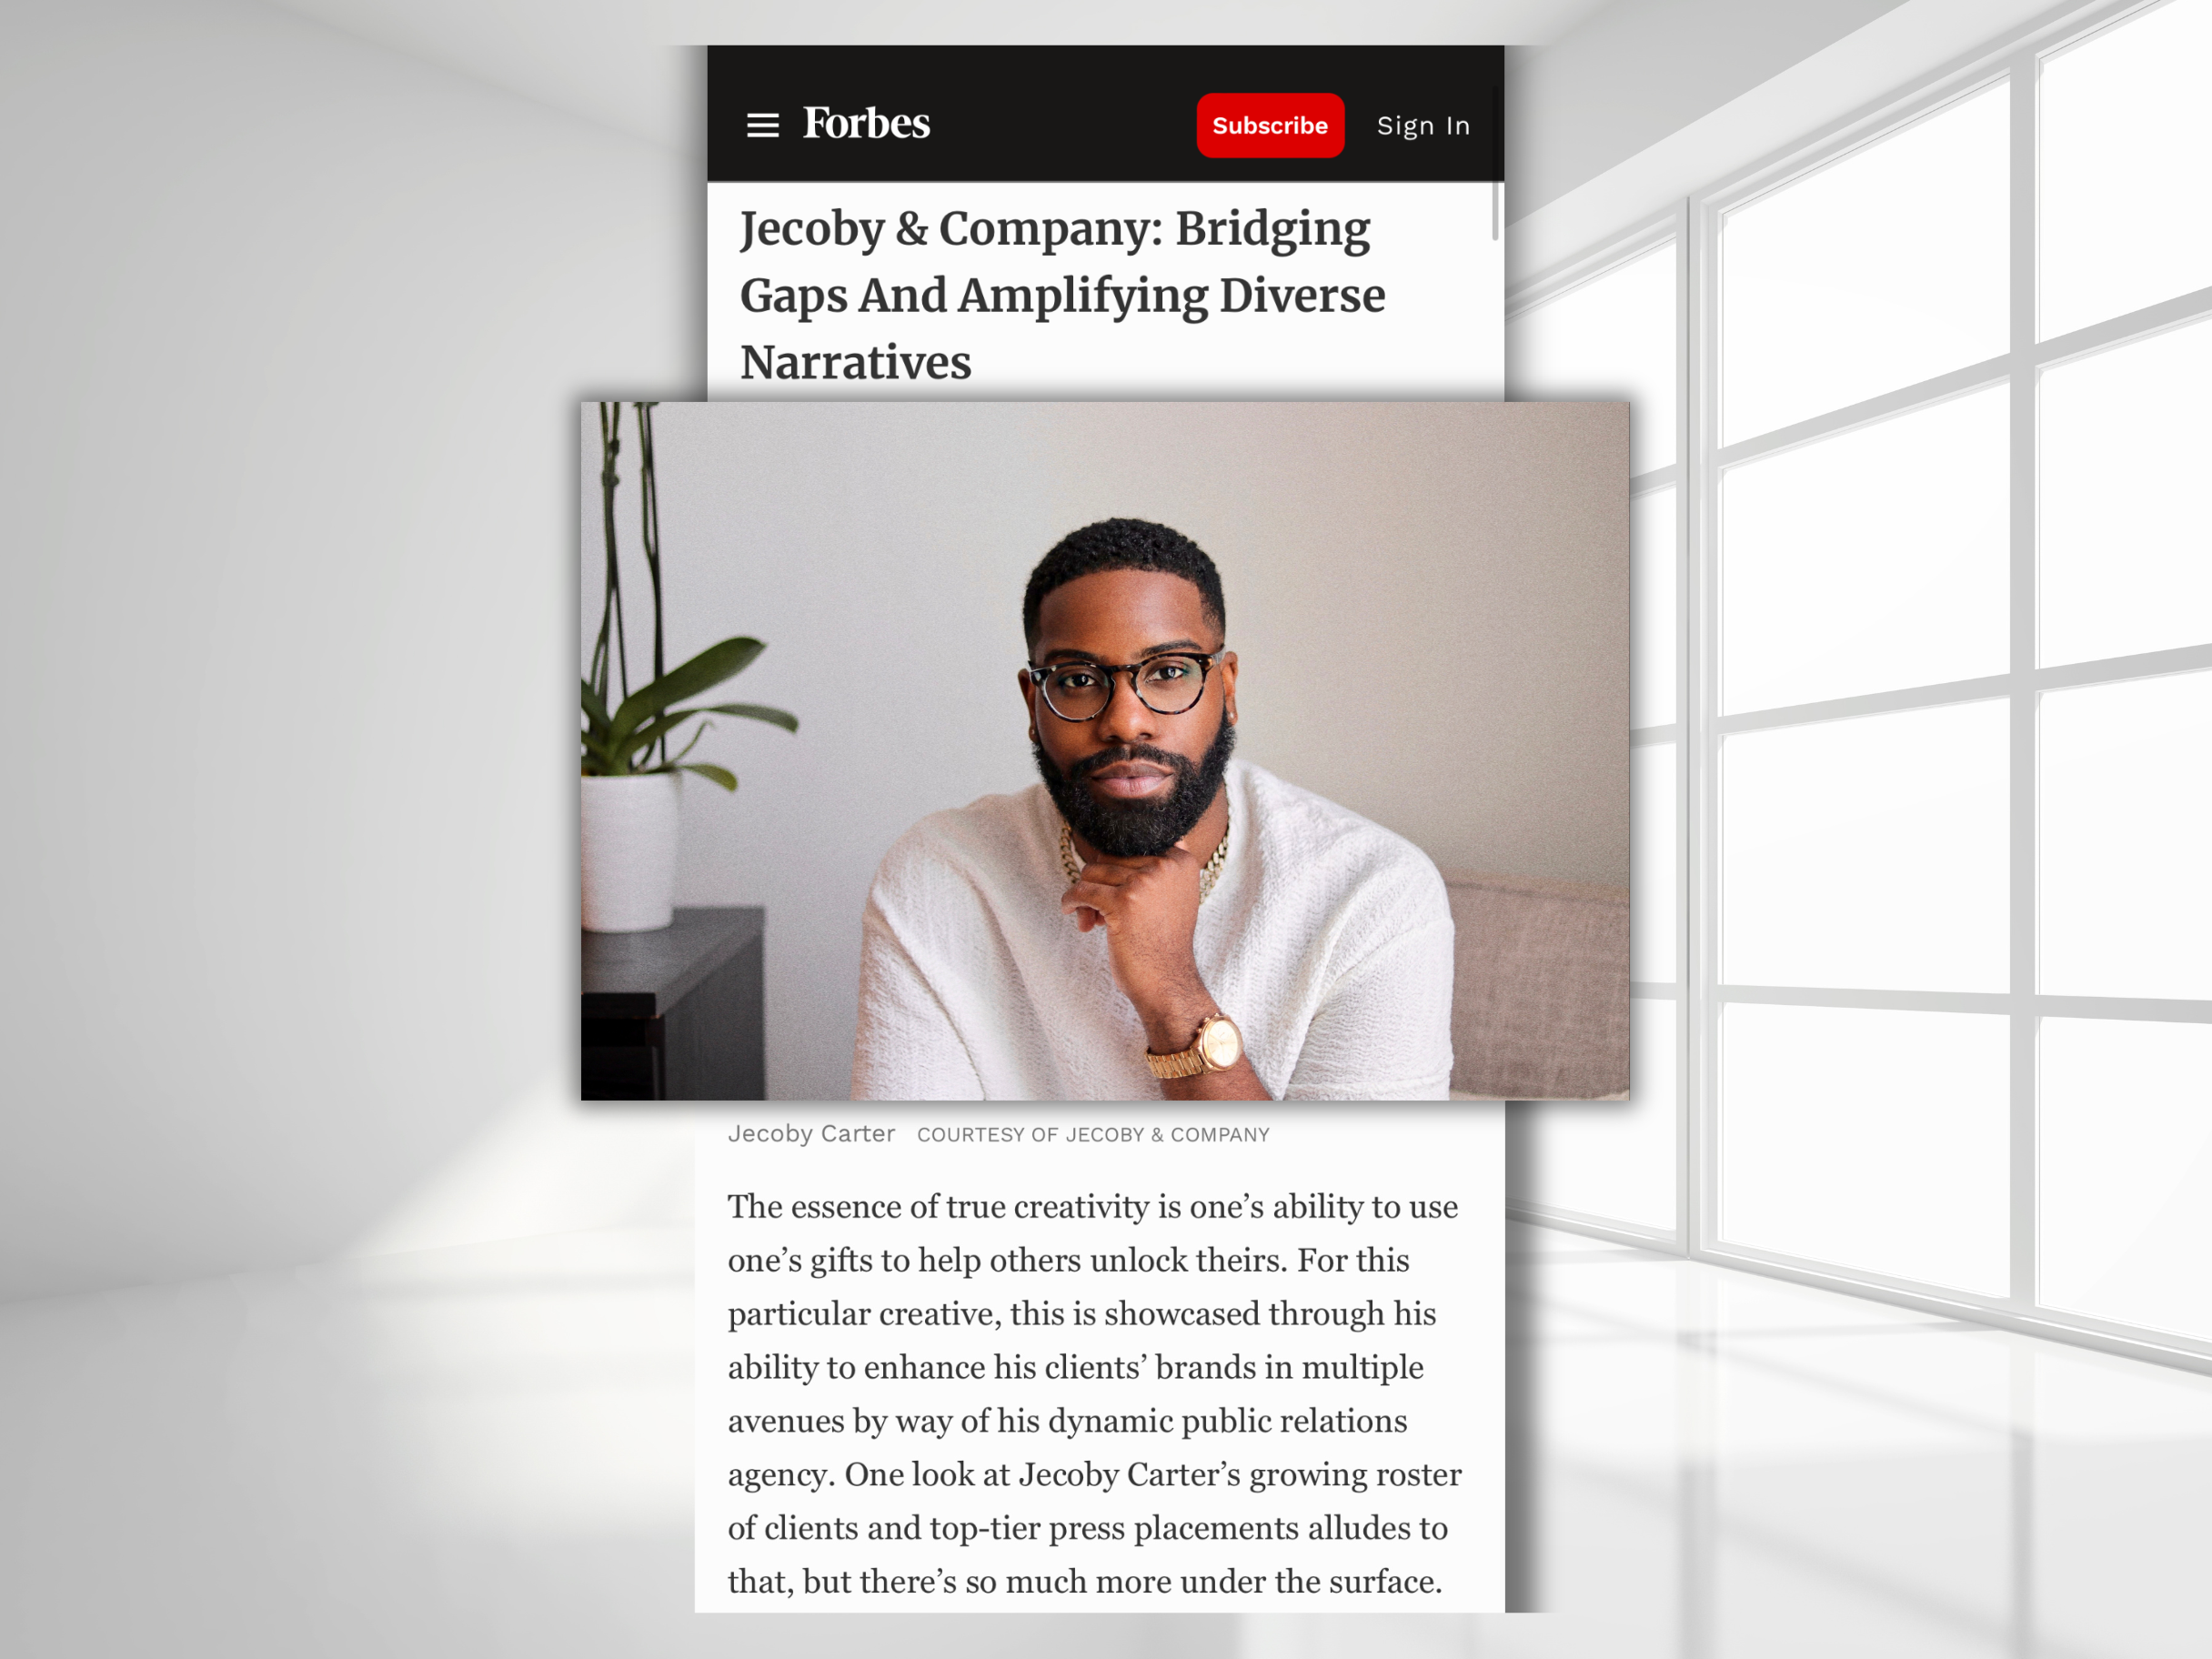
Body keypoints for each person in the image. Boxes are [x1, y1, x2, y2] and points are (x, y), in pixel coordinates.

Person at [851, 518, 1454, 1101]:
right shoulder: (942, 875)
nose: (1125, 721)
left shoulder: (1372, 893)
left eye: (1168, 671)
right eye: (1078, 679)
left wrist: (1172, 991)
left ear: (1227, 687)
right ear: (1034, 703)